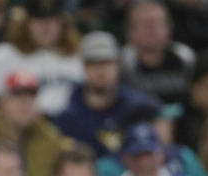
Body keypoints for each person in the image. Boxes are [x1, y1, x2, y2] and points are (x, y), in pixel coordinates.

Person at [53, 31, 161, 159]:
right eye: (94, 63)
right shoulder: (68, 117)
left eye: (107, 62)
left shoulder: (138, 107)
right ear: (83, 67)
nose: (101, 70)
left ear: (118, 66)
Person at [0, 0, 84, 116]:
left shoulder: (79, 56)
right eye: (38, 20)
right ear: (25, 24)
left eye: (52, 20)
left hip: (71, 128)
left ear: (63, 23)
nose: (46, 26)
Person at [0, 71, 72, 176]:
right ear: (2, 102)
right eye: (17, 94)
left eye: (31, 96)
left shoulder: (51, 138)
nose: (25, 102)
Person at [119, 0, 197, 107]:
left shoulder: (185, 57)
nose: (152, 29)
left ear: (169, 29)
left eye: (158, 23)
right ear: (130, 32)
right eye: (146, 24)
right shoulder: (122, 63)